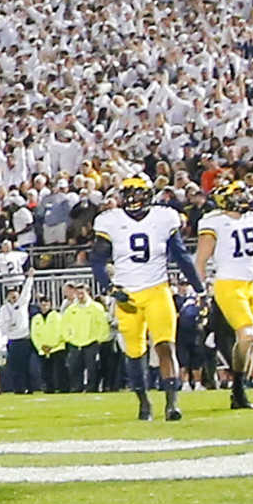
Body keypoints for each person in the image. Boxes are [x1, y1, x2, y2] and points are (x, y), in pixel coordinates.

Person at [92, 177, 205, 421]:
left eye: (137, 194)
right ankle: (144, 403)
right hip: (127, 295)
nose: (132, 200)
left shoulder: (164, 217)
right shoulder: (110, 220)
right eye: (128, 195)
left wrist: (199, 288)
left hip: (157, 290)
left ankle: (172, 404)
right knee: (134, 353)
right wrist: (110, 288)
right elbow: (98, 260)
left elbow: (181, 257)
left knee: (165, 345)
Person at [194, 181, 253, 410]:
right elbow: (200, 260)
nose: (243, 197)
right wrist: (202, 290)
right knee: (246, 336)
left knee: (250, 341)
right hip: (228, 284)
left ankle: (239, 389)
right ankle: (238, 389)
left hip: (251, 284)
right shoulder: (213, 221)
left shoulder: (252, 218)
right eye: (237, 194)